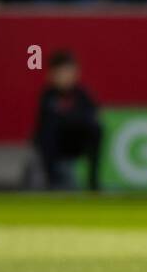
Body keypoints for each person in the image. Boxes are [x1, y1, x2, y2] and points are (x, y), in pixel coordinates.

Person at [32, 50, 103, 191]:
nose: (65, 76)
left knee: (96, 129)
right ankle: (52, 181)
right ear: (52, 75)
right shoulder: (48, 95)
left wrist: (70, 120)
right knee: (47, 132)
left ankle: (93, 183)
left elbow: (89, 117)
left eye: (68, 71)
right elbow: (45, 122)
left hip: (77, 142)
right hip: (56, 144)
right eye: (61, 72)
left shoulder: (83, 94)